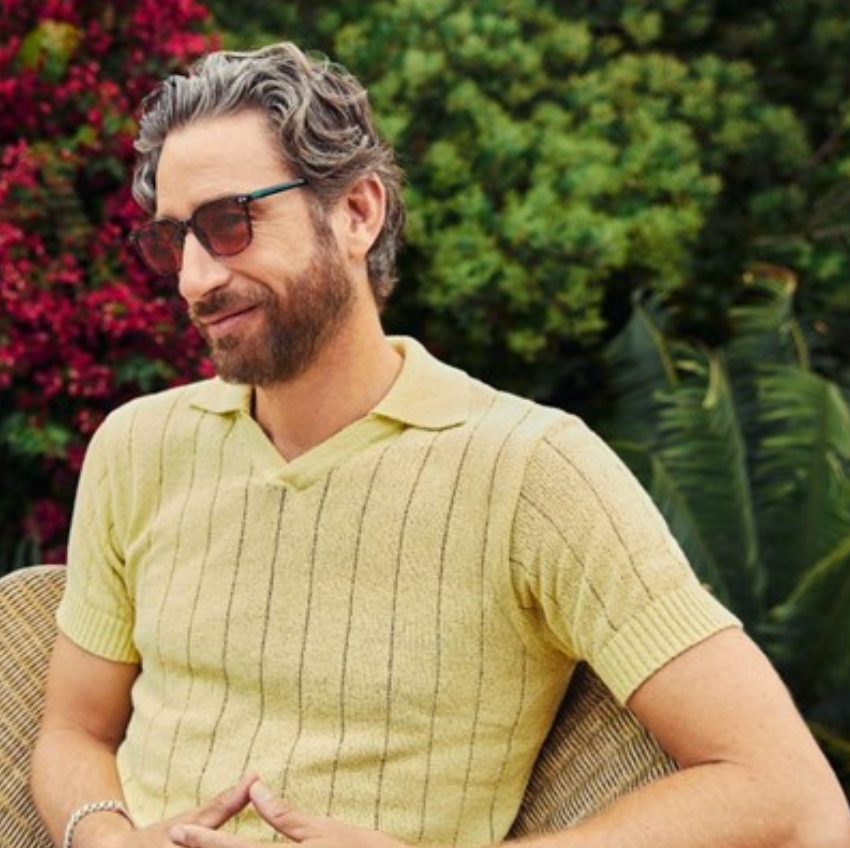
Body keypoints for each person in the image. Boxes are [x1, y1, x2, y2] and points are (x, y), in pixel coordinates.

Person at [30, 41, 849, 848]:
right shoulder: (140, 447)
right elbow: (72, 733)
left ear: (357, 212)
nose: (195, 279)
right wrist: (109, 838)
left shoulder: (530, 469)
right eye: (175, 239)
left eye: (230, 223)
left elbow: (791, 796)